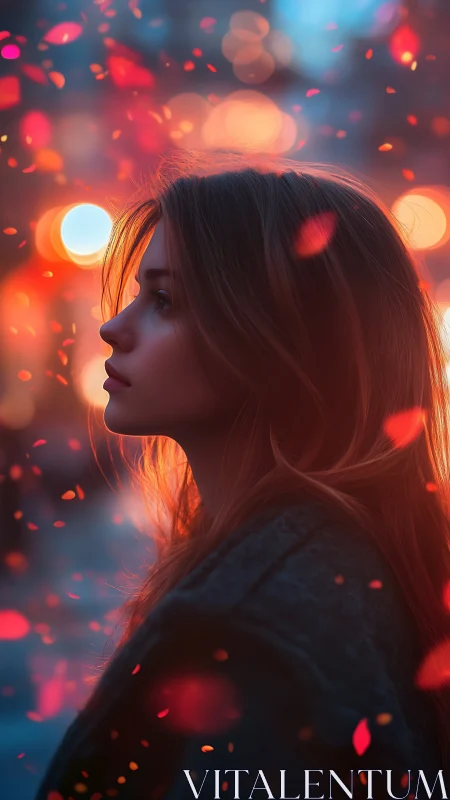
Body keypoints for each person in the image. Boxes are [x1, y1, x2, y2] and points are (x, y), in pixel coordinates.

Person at [35, 150, 450, 800]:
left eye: (165, 300)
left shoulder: (259, 634)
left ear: (280, 342)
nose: (114, 328)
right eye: (138, 293)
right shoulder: (332, 570)